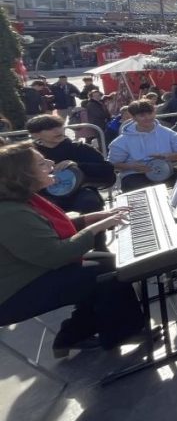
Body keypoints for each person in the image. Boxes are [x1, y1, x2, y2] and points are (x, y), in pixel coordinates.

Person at [0, 142, 144, 357]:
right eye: (41, 163)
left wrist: (94, 218)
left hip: (31, 273)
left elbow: (49, 230)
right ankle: (120, 333)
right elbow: (57, 255)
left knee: (106, 261)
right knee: (103, 275)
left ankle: (72, 335)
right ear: (22, 175)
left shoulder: (23, 200)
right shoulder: (9, 212)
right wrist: (97, 227)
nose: (51, 164)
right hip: (12, 295)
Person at [28, 114, 115, 214]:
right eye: (50, 129)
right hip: (46, 196)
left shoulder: (80, 148)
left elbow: (108, 171)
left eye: (59, 126)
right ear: (35, 134)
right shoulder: (30, 154)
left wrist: (77, 165)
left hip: (81, 192)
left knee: (89, 201)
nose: (58, 131)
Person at [107, 100, 177, 192]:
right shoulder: (120, 142)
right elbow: (112, 164)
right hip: (135, 175)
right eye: (142, 115)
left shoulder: (169, 134)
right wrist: (131, 166)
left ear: (154, 113)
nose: (147, 118)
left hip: (165, 171)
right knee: (137, 187)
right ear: (133, 117)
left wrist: (166, 156)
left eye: (150, 113)